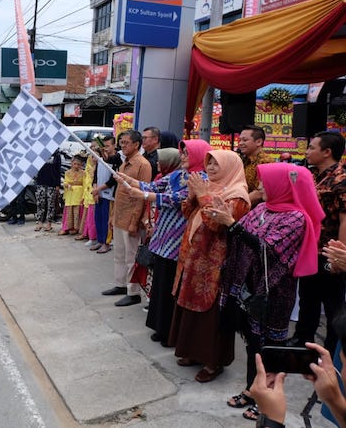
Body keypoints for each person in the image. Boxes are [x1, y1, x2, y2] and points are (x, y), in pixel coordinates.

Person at [214, 162, 323, 420]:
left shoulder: (296, 218)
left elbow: (268, 250)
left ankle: (269, 399)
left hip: (275, 293)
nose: (260, 186)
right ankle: (254, 390)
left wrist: (232, 224)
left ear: (282, 186)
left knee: (271, 348)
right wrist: (226, 222)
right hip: (250, 289)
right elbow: (240, 238)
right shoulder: (262, 208)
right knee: (253, 344)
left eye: (265, 181)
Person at [118, 141, 211, 346]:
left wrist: (144, 195)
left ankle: (170, 331)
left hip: (179, 240)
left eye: (187, 153)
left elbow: (177, 199)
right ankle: (160, 327)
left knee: (170, 286)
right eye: (182, 153)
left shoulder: (201, 178)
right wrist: (126, 180)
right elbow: (153, 186)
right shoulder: (178, 174)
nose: (184, 156)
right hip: (162, 236)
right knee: (160, 284)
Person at [169, 149, 250, 383]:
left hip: (215, 264)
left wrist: (203, 194)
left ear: (230, 167)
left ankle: (213, 363)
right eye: (209, 164)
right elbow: (188, 213)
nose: (211, 169)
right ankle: (193, 353)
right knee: (190, 306)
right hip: (194, 257)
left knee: (210, 313)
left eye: (216, 165)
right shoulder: (211, 187)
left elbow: (216, 225)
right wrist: (194, 195)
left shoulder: (237, 195)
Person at [288, 131, 346, 355]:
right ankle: (303, 338)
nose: (307, 152)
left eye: (312, 147)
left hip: (328, 251)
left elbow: (344, 220)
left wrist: (338, 255)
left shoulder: (340, 179)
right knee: (308, 297)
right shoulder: (311, 175)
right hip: (309, 248)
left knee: (332, 303)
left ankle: (333, 348)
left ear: (327, 152)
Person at [101, 130, 152, 306]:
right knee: (119, 254)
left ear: (136, 144)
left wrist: (134, 222)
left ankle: (134, 291)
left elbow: (142, 196)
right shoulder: (125, 163)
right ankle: (120, 284)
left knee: (131, 257)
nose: (122, 146)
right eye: (121, 143)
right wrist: (113, 215)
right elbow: (120, 193)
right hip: (119, 216)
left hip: (131, 218)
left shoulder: (142, 165)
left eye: (125, 143)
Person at [89, 136, 117, 253]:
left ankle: (107, 242)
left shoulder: (116, 159)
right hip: (99, 194)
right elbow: (95, 176)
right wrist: (95, 189)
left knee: (107, 220)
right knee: (98, 219)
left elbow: (112, 181)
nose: (105, 149)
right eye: (103, 146)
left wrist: (99, 189)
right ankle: (100, 240)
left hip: (109, 195)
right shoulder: (100, 159)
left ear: (114, 146)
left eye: (107, 146)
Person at [239, 125, 274, 206]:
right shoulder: (244, 159)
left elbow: (259, 193)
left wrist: (238, 206)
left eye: (245, 140)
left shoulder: (265, 162)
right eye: (240, 140)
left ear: (259, 142)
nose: (240, 143)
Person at [34, 149, 62, 232]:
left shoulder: (57, 155)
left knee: (51, 204)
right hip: (41, 182)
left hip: (52, 183)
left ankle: (49, 223)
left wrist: (57, 184)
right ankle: (39, 222)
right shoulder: (40, 152)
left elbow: (58, 170)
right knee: (40, 203)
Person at [59, 155, 86, 235]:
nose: (76, 166)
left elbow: (85, 185)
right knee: (69, 211)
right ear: (71, 163)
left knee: (77, 211)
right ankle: (67, 227)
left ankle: (76, 228)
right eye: (75, 164)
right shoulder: (67, 172)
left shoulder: (83, 173)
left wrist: (84, 196)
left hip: (79, 194)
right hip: (70, 194)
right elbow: (65, 182)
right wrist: (67, 184)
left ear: (81, 165)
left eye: (78, 164)